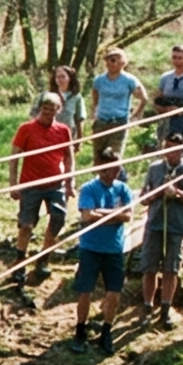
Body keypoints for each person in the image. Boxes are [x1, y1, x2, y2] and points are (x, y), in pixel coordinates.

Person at [72, 149, 134, 354]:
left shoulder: (123, 189)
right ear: (100, 169)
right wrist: (115, 214)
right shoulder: (89, 188)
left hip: (114, 249)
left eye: (117, 168)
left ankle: (106, 332)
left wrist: (104, 213)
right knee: (85, 291)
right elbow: (87, 216)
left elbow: (128, 216)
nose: (113, 173)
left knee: (114, 292)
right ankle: (80, 330)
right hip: (91, 247)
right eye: (108, 169)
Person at [10, 95, 75, 285]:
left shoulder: (63, 130)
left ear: (58, 110)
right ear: (40, 109)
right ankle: (19, 261)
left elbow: (69, 157)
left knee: (57, 218)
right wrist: (13, 183)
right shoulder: (26, 129)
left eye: (52, 109)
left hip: (55, 184)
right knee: (26, 225)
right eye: (44, 109)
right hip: (31, 184)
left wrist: (70, 182)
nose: (47, 113)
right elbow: (14, 157)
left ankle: (43, 258)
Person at [140, 138, 183, 329]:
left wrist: (178, 194)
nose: (171, 153)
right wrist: (158, 193)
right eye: (168, 149)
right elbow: (143, 198)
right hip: (154, 225)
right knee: (149, 268)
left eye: (176, 150)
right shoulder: (155, 168)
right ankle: (147, 309)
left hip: (175, 227)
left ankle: (165, 311)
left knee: (170, 269)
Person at [87, 47, 145, 155]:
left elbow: (143, 98)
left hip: (119, 122)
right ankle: (99, 172)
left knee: (113, 155)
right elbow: (95, 95)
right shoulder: (99, 80)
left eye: (114, 60)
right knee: (98, 154)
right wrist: (95, 111)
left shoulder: (129, 80)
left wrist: (134, 116)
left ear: (123, 62)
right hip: (101, 121)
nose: (111, 63)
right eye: (108, 60)